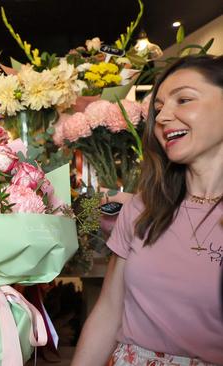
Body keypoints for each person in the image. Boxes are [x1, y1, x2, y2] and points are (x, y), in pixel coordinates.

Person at [72, 55, 223, 365]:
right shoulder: (144, 206)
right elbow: (108, 312)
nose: (164, 116)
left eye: (183, 99)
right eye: (158, 108)